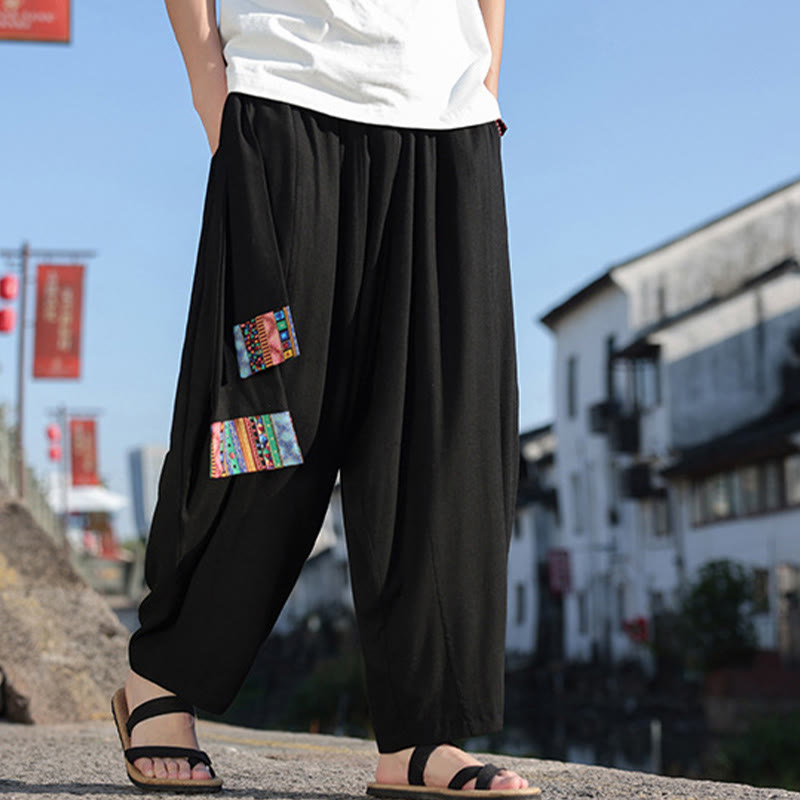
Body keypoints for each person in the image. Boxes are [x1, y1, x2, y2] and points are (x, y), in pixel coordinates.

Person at [112, 0, 537, 795]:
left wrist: (486, 78)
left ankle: (419, 736)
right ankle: (160, 677)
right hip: (286, 100)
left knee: (440, 430)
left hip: (449, 119)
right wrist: (210, 86)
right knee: (266, 416)